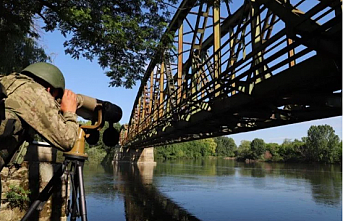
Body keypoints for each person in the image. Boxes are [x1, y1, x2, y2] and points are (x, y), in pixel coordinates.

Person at [0, 62, 79, 172]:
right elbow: (67, 140)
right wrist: (70, 112)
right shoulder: (38, 94)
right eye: (55, 97)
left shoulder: (6, 80)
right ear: (49, 90)